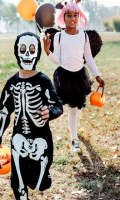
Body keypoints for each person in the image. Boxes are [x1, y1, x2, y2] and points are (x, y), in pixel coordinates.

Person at [0, 32, 63, 200]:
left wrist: (51, 112)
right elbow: (4, 110)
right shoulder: (12, 83)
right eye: (23, 50)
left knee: (40, 184)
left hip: (41, 138)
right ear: (16, 52)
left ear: (38, 53)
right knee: (18, 179)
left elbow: (57, 104)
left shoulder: (43, 80)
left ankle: (42, 177)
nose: (27, 54)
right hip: (19, 137)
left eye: (32, 50)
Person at [43, 0, 105, 153]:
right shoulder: (59, 37)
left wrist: (97, 75)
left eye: (75, 15)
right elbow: (57, 59)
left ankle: (74, 129)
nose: (72, 19)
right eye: (68, 15)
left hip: (80, 77)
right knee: (72, 110)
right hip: (65, 78)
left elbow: (89, 58)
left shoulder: (83, 36)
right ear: (62, 18)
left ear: (79, 17)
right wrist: (47, 51)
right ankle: (74, 140)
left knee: (77, 109)